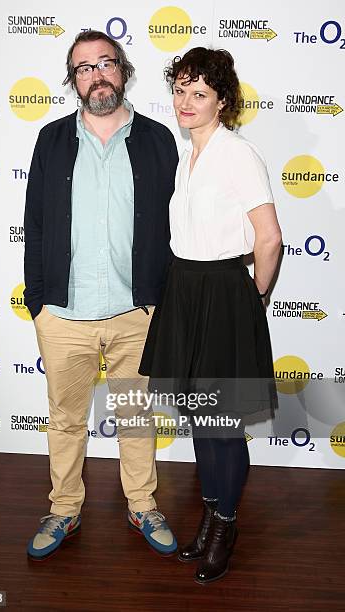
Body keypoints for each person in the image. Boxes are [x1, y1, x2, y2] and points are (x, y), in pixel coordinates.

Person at [24, 30, 179, 560]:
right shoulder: (50, 139)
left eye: (105, 63)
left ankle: (142, 503)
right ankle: (63, 508)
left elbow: (173, 225)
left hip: (137, 312)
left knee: (136, 416)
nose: (97, 74)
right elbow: (36, 224)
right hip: (64, 314)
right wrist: (39, 301)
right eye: (84, 68)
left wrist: (163, 298)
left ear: (123, 69)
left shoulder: (158, 139)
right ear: (74, 80)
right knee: (66, 418)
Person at [139, 47, 282, 583]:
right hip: (185, 288)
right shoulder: (187, 155)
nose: (186, 101)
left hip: (223, 292)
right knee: (201, 416)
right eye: (179, 90)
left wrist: (254, 300)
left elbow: (268, 238)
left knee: (223, 425)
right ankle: (210, 513)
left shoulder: (237, 154)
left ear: (223, 100)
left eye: (199, 93)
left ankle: (225, 524)